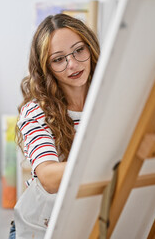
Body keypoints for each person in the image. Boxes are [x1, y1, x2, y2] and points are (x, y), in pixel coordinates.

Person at [10, 14, 100, 238]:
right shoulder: (36, 111)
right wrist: (108, 162)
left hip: (93, 222)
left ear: (91, 48)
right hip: (40, 227)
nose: (73, 63)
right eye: (59, 59)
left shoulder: (110, 100)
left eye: (79, 50)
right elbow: (49, 177)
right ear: (46, 68)